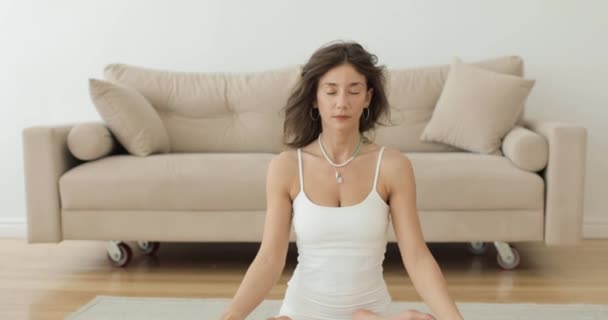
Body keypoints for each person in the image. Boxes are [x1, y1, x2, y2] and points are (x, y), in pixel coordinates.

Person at [219, 41, 464, 320]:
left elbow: (417, 257)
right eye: (331, 91)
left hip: (370, 311)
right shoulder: (286, 167)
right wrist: (232, 315)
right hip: (302, 312)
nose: (342, 103)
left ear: (368, 98)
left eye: (354, 91)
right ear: (315, 97)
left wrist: (453, 318)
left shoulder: (393, 166)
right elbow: (269, 259)